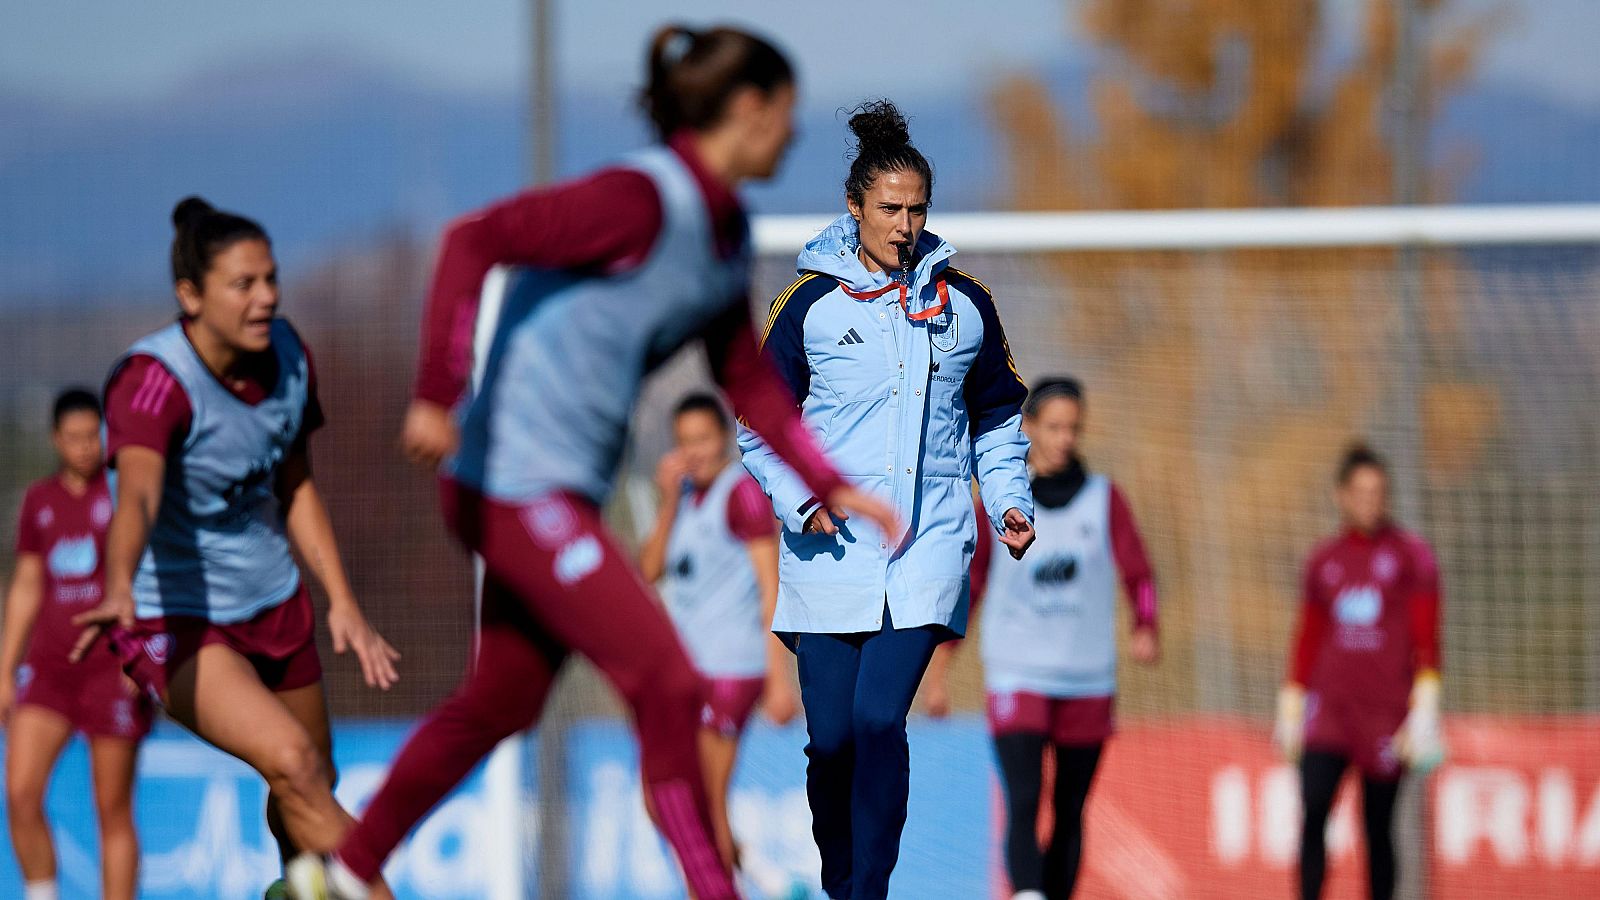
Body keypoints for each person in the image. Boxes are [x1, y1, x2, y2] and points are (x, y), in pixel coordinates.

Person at [286, 26, 896, 900]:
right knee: (667, 681)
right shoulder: (637, 201)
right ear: (750, 108)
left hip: (554, 496)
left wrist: (829, 482)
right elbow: (471, 240)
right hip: (510, 486)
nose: (798, 134)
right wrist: (435, 392)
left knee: (500, 702)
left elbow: (745, 379)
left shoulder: (725, 236)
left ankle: (341, 873)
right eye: (789, 113)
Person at [739, 98, 1036, 900]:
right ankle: (843, 882)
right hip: (827, 556)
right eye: (889, 209)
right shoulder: (808, 306)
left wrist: (1008, 499)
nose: (904, 226)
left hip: (927, 548)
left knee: (879, 720)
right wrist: (803, 501)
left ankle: (867, 890)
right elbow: (759, 428)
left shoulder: (966, 306)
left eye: (917, 210)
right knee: (832, 742)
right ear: (854, 208)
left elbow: (998, 419)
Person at [69, 197, 401, 900]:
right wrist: (119, 581)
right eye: (243, 284)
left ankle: (297, 888)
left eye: (271, 278)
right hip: (179, 621)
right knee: (295, 765)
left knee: (312, 782)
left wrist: (342, 600)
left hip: (275, 601)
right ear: (191, 297)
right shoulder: (154, 383)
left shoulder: (289, 356)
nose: (266, 297)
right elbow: (138, 496)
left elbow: (296, 483)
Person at [955, 377, 1160, 900]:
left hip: (1087, 678)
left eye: (1073, 428)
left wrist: (1146, 625)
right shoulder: (998, 501)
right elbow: (971, 584)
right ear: (1027, 428)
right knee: (1024, 799)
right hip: (1017, 673)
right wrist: (940, 661)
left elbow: (1139, 573)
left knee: (1070, 808)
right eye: (1053, 427)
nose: (1065, 438)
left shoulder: (1104, 499)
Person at [638, 392, 801, 874]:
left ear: (724, 439)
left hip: (732, 668)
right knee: (661, 800)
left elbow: (770, 587)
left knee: (700, 804)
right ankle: (764, 879)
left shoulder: (741, 494)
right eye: (685, 441)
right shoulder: (685, 497)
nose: (695, 451)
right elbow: (647, 571)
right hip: (690, 672)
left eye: (704, 439)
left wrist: (779, 680)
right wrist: (668, 502)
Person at [1, 390, 153, 900]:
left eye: (93, 436)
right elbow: (27, 584)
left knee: (112, 809)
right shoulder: (39, 501)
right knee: (20, 793)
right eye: (74, 437)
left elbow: (149, 578)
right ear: (56, 439)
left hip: (111, 671)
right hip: (49, 670)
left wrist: (141, 657)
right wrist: (5, 669)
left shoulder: (124, 494)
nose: (86, 447)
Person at [1274, 444, 1444, 900]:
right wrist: (1291, 702)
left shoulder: (1412, 556)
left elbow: (1427, 635)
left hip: (1385, 713)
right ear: (1342, 495)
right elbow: (1308, 635)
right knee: (1313, 808)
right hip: (1329, 712)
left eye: (1378, 492)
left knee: (1378, 826)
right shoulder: (1323, 560)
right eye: (1361, 492)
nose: (1370, 501)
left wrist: (1426, 706)